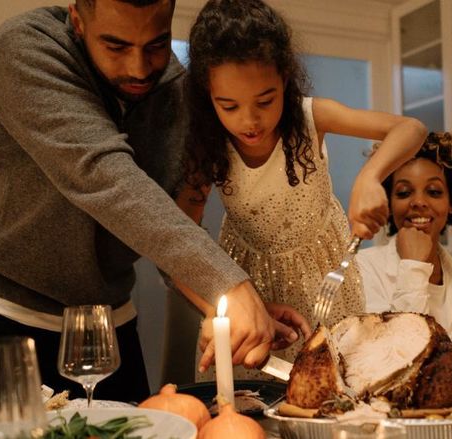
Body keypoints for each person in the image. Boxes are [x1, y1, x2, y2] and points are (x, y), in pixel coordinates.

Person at [0, 0, 295, 403]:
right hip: (6, 310)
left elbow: (168, 225)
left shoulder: (177, 91)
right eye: (116, 46)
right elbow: (103, 175)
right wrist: (228, 282)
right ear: (78, 20)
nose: (139, 67)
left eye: (157, 44)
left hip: (109, 320)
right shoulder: (28, 47)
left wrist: (227, 306)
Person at [177, 0, 428, 380]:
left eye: (265, 100)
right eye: (228, 106)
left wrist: (370, 176)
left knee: (332, 390)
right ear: (207, 96)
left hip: (325, 280)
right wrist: (219, 308)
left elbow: (411, 128)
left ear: (285, 80)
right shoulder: (207, 144)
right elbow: (179, 244)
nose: (250, 120)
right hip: (245, 280)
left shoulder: (311, 116)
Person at [356, 132, 452, 342]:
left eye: (433, 191)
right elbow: (392, 362)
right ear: (389, 204)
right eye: (403, 193)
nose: (419, 202)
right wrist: (413, 266)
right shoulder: (362, 271)